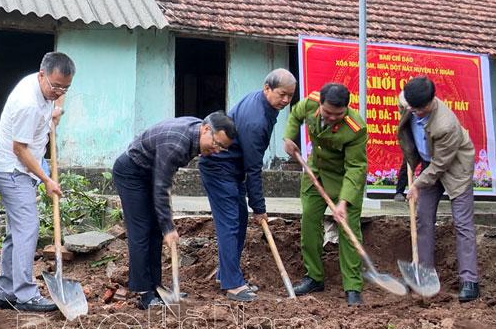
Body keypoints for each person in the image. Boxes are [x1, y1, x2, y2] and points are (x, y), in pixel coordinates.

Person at [113, 112, 237, 309]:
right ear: (206, 129)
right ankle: (144, 293)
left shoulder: (197, 132)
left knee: (154, 230)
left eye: (223, 148)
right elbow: (161, 187)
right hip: (131, 173)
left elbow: (161, 183)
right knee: (141, 231)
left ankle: (156, 287)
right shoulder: (176, 144)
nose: (217, 150)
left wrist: (163, 227)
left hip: (149, 172)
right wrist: (169, 228)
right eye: (217, 143)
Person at [198, 69, 296, 302]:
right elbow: (254, 168)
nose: (286, 101)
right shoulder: (256, 120)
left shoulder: (266, 105)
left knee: (239, 221)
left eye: (290, 96)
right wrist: (259, 207)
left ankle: (226, 275)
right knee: (230, 223)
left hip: (233, 169)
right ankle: (232, 285)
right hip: (220, 169)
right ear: (267, 88)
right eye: (282, 94)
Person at [0, 52, 75, 312]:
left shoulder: (48, 87)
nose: (59, 91)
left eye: (65, 87)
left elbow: (57, 92)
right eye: (55, 86)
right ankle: (26, 295)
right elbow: (20, 149)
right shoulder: (28, 102)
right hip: (14, 170)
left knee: (15, 232)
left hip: (21, 167)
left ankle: (6, 292)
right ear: (42, 75)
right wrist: (47, 178)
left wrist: (56, 108)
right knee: (27, 228)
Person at [283, 83, 367, 305]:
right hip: (316, 173)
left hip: (344, 180)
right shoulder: (310, 103)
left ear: (346, 110)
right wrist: (289, 138)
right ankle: (314, 277)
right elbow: (295, 115)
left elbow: (356, 168)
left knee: (349, 231)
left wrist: (343, 201)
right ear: (320, 104)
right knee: (309, 221)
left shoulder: (355, 128)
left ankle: (352, 286)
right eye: (328, 113)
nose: (331, 118)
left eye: (337, 115)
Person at [398, 77, 480, 302]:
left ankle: (469, 280)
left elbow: (440, 165)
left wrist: (415, 184)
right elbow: (406, 126)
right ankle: (424, 274)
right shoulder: (407, 103)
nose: (415, 112)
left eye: (420, 109)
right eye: (411, 108)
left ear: (431, 101)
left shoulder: (446, 124)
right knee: (423, 219)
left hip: (455, 169)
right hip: (428, 164)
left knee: (462, 224)